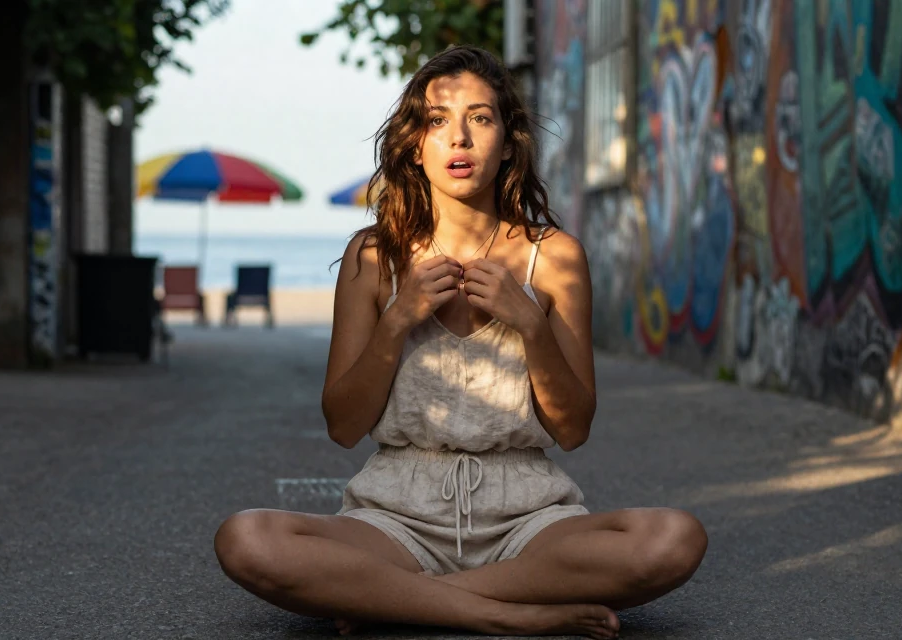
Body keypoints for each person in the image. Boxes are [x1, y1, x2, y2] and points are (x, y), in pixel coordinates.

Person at [214, 45, 707, 639]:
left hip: (530, 520)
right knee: (246, 539)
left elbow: (573, 429)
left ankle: (392, 602)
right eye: (437, 120)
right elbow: (344, 425)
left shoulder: (553, 258)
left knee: (674, 540)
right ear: (415, 146)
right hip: (395, 518)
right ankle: (503, 614)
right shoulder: (372, 257)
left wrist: (528, 322)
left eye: (480, 118)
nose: (460, 139)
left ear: (508, 140)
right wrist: (398, 320)